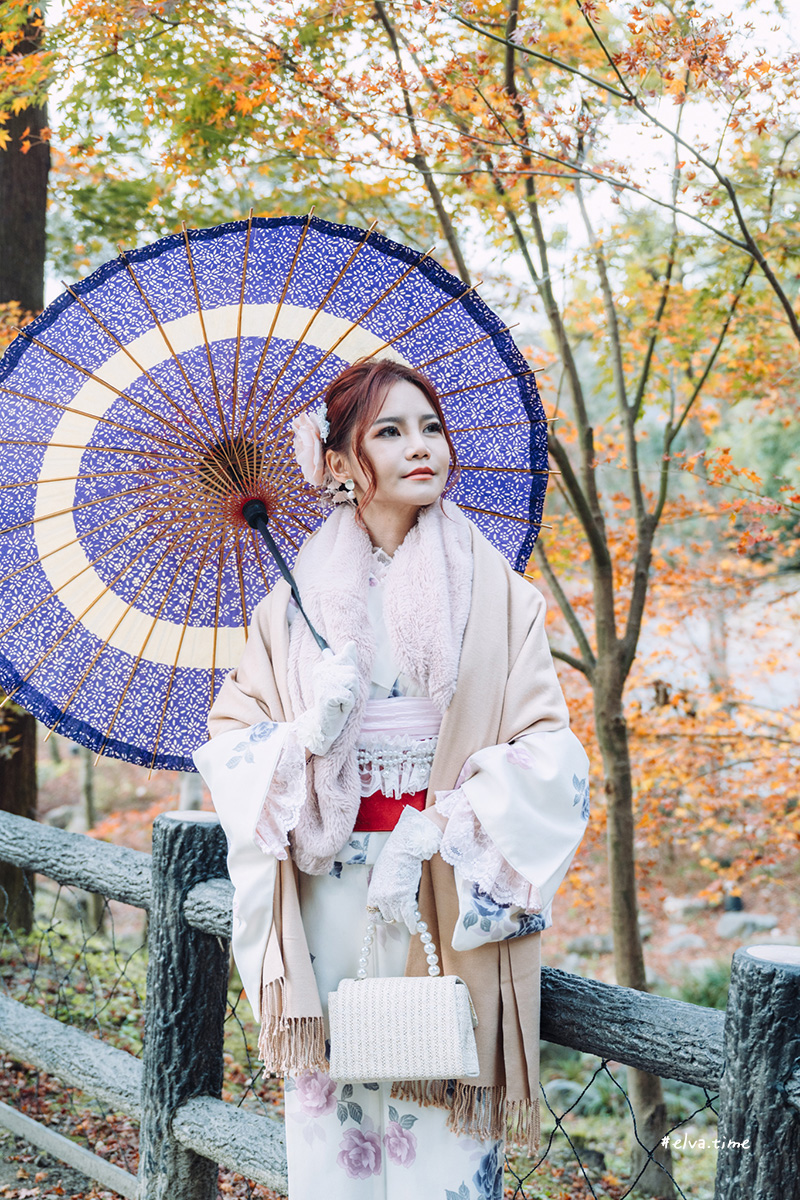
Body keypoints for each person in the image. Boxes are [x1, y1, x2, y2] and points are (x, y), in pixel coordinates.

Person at [194, 358, 590, 1200]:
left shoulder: (501, 599)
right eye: (391, 431)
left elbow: (549, 749)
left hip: (441, 884)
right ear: (337, 464)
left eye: (431, 427)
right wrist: (305, 732)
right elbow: (230, 741)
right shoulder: (288, 609)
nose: (423, 448)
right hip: (328, 896)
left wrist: (449, 821)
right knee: (333, 1128)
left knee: (443, 1126)